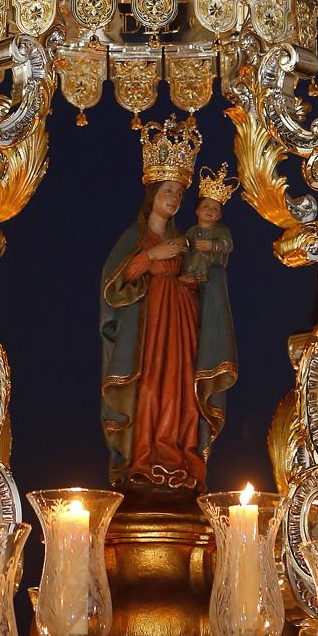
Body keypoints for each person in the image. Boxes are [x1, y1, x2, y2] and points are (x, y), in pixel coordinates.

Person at [101, 116, 237, 495]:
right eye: (168, 192)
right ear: (153, 194)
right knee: (150, 390)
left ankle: (177, 455)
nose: (174, 199)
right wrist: (152, 256)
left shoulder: (188, 238)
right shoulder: (136, 236)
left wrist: (197, 278)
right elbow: (116, 282)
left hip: (180, 323)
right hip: (147, 328)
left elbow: (213, 257)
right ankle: (145, 457)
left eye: (179, 194)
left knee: (179, 392)